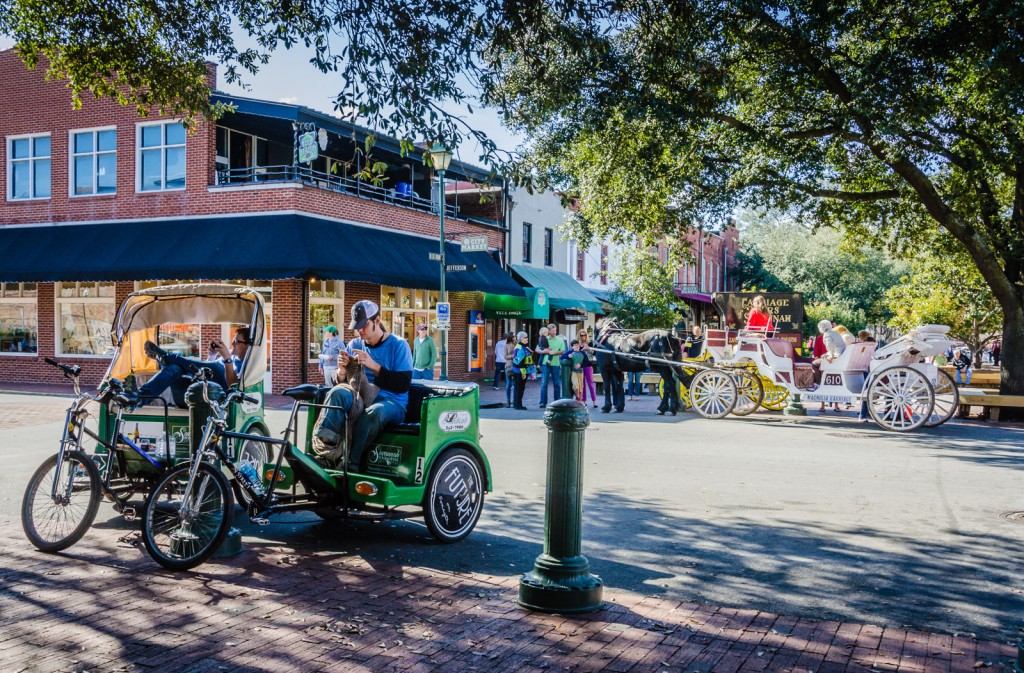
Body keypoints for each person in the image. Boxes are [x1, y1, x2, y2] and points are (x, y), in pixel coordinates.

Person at [315, 301, 413, 472]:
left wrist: (374, 366)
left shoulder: (399, 345)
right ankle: (325, 454)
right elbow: (339, 381)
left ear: (377, 321)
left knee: (372, 413)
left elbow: (402, 385)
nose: (360, 331)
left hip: (392, 402)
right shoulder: (355, 344)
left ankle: (350, 464)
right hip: (360, 395)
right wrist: (341, 370)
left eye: (364, 326)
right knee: (337, 392)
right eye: (357, 327)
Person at [137, 328, 251, 407]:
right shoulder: (231, 357)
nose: (232, 344)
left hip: (213, 399)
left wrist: (227, 358)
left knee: (218, 368)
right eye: (233, 341)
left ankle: (167, 357)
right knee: (174, 368)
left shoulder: (247, 364)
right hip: (191, 395)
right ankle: (138, 398)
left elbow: (232, 386)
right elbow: (206, 373)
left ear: (247, 345)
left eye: (236, 342)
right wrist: (212, 355)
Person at [594, 331, 625, 413]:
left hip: (613, 367)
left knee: (616, 385)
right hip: (614, 367)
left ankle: (615, 403)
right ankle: (618, 404)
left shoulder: (606, 343)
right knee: (617, 385)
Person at [538, 323, 566, 407]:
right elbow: (537, 349)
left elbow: (563, 351)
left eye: (555, 330)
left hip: (555, 364)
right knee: (544, 383)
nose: (554, 332)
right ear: (548, 331)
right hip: (545, 363)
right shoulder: (544, 338)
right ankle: (543, 402)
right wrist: (544, 351)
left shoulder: (560, 340)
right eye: (552, 331)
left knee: (557, 383)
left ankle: (556, 402)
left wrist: (555, 352)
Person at [509, 331, 534, 410]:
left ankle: (517, 404)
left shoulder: (522, 346)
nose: (527, 339)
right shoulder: (520, 347)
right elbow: (520, 362)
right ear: (521, 339)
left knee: (519, 388)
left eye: (527, 337)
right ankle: (518, 405)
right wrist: (523, 373)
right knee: (519, 388)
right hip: (519, 371)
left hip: (521, 371)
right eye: (525, 337)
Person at [577, 330, 598, 408]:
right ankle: (584, 401)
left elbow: (593, 353)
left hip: (588, 365)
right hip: (581, 365)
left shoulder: (590, 343)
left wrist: (588, 348)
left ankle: (594, 401)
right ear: (579, 336)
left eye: (584, 335)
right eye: (581, 335)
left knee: (591, 384)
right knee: (582, 385)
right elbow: (576, 353)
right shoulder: (578, 344)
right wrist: (583, 349)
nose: (583, 337)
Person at [502, 333, 516, 407]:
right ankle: (508, 401)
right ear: (511, 337)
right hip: (509, 365)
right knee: (508, 384)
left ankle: (514, 400)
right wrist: (512, 356)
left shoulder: (517, 344)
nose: (515, 337)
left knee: (515, 384)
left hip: (516, 365)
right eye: (514, 336)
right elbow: (505, 356)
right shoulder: (506, 345)